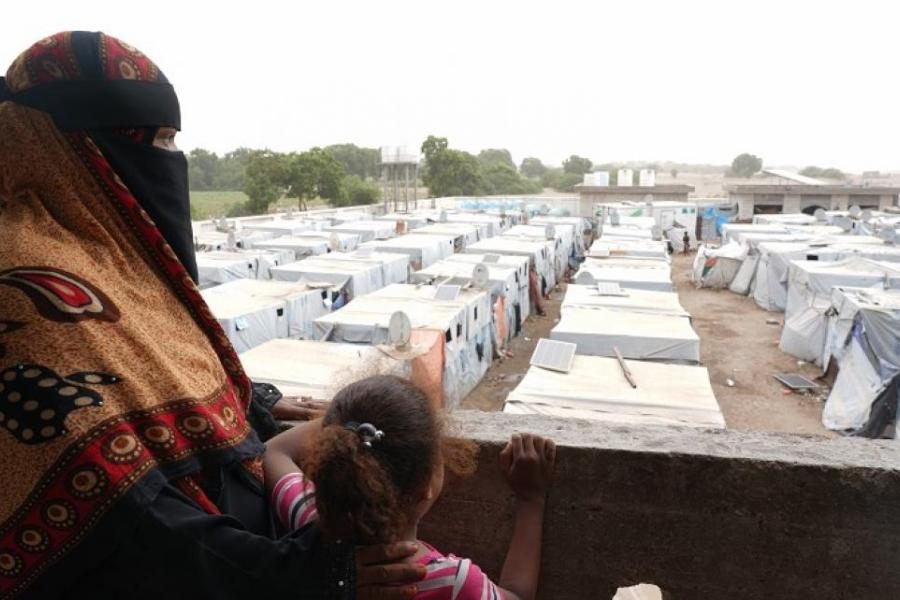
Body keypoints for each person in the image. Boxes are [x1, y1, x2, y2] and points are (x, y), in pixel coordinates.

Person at [0, 31, 420, 598]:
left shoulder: (103, 251)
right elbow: (118, 513)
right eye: (159, 141)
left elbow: (149, 369)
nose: (170, 161)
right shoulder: (24, 275)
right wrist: (301, 572)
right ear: (71, 151)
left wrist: (249, 400)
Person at [264, 375, 556, 600]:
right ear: (429, 483)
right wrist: (531, 499)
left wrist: (341, 424)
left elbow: (272, 452)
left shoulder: (310, 520)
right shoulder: (454, 583)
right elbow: (516, 595)